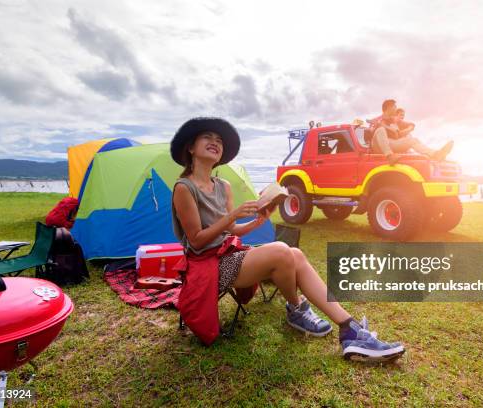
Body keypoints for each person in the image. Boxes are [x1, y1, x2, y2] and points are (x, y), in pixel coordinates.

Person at [171, 117, 405, 361]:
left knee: (295, 254)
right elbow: (196, 241)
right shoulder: (184, 188)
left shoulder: (224, 186)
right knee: (282, 252)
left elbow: (231, 231)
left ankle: (349, 328)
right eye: (207, 137)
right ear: (190, 147)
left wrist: (258, 221)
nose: (215, 142)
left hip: (228, 254)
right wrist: (232, 214)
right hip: (207, 265)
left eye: (219, 140)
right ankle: (297, 309)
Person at [367, 100, 453, 165]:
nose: (396, 108)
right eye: (395, 106)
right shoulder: (376, 120)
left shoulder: (394, 120)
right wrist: (381, 126)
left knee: (412, 139)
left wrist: (406, 130)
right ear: (389, 107)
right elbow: (371, 133)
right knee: (380, 129)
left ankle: (436, 154)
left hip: (390, 144)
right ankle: (390, 157)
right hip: (377, 146)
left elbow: (411, 125)